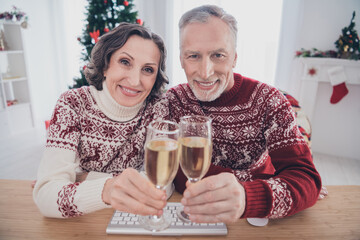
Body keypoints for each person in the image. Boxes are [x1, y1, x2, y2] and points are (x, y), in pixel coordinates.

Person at [166, 5, 322, 223]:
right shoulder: (173, 101)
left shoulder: (269, 100)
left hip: (256, 219)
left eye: (218, 55)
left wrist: (246, 196)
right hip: (193, 216)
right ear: (182, 59)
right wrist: (263, 179)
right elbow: (176, 173)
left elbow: (306, 180)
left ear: (234, 59)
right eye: (193, 56)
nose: (205, 72)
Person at [33, 23, 170, 218]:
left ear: (156, 77)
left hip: (133, 218)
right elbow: (46, 197)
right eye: (125, 62)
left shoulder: (158, 108)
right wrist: (106, 189)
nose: (134, 80)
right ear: (105, 65)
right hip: (84, 221)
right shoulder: (72, 104)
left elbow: (161, 185)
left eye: (148, 69)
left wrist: (84, 178)